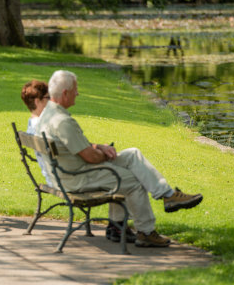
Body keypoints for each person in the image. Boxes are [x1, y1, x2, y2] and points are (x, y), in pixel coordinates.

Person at [35, 70, 204, 248]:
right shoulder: (62, 121)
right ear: (65, 93)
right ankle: (145, 232)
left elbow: (74, 145)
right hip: (77, 178)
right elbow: (91, 157)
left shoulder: (48, 115)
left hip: (66, 173)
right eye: (75, 89)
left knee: (132, 154)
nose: (77, 93)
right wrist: (102, 154)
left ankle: (166, 196)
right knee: (134, 181)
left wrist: (100, 147)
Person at [20, 80, 55, 187]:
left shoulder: (32, 124)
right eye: (48, 98)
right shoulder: (44, 126)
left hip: (52, 177)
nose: (52, 101)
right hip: (67, 178)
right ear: (37, 101)